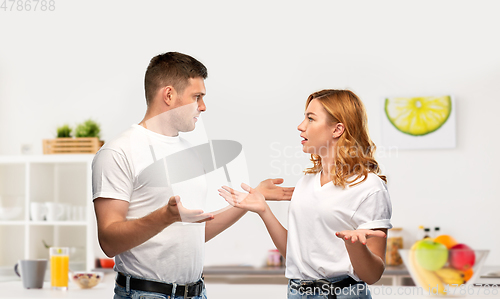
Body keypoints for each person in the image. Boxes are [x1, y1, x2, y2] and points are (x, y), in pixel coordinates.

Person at [92, 52, 294, 299]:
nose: (203, 106)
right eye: (196, 97)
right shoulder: (118, 151)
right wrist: (165, 216)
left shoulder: (189, 153)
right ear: (169, 95)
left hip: (197, 292)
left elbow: (195, 232)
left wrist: (253, 200)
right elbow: (109, 242)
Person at [220, 89, 392, 299]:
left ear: (337, 129)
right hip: (297, 293)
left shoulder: (369, 187)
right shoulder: (307, 182)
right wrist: (263, 210)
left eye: (310, 119)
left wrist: (354, 246)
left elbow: (373, 275)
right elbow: (294, 256)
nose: (301, 126)